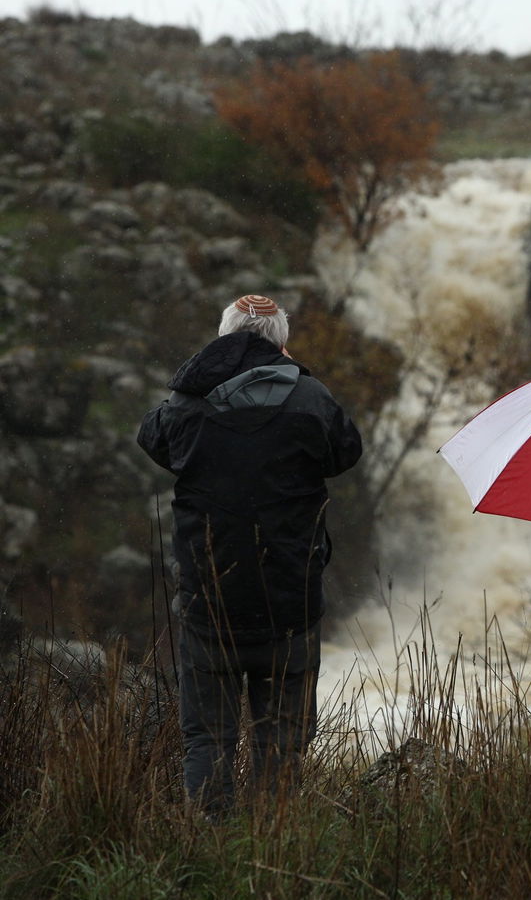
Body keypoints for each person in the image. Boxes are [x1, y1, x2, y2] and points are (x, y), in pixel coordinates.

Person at [137, 293, 362, 817]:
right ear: (282, 343)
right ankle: (272, 847)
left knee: (207, 739)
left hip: (209, 602)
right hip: (289, 604)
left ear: (224, 339)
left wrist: (204, 371)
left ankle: (212, 843)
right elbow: (345, 451)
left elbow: (152, 436)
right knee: (282, 742)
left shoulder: (189, 403)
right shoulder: (310, 399)